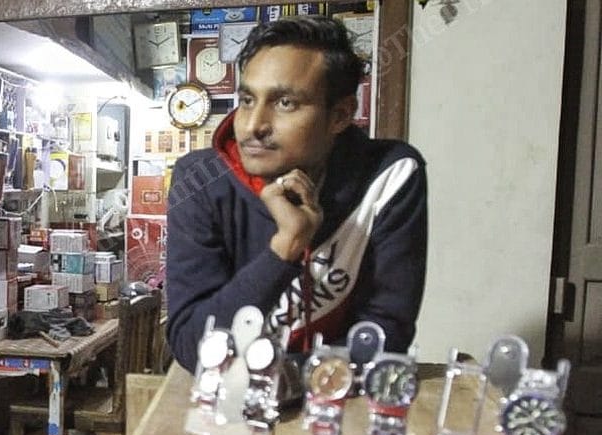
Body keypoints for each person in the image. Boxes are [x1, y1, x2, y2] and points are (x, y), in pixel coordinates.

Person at [166, 15, 427, 373]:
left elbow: (384, 336)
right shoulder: (199, 180)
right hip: (230, 399)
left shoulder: (390, 176)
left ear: (340, 115)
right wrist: (283, 249)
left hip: (335, 398)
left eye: (285, 103)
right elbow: (192, 346)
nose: (253, 125)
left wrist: (284, 378)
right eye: (247, 99)